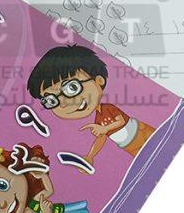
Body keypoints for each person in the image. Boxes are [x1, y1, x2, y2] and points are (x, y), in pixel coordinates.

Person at [27, 44, 155, 170]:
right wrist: (90, 156)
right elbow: (101, 138)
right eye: (51, 100)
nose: (64, 102)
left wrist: (105, 129)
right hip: (129, 146)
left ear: (99, 80)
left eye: (72, 87)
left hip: (142, 132)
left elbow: (121, 121)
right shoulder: (98, 119)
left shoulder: (107, 108)